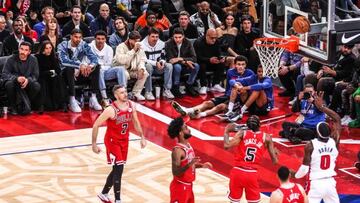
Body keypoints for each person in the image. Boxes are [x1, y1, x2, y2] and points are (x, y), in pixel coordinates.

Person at [92, 84, 147, 203]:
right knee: (119, 168)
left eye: (125, 91)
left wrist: (142, 136)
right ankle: (118, 200)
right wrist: (94, 144)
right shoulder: (110, 110)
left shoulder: (131, 105)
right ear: (116, 96)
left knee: (117, 169)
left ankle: (104, 193)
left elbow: (136, 122)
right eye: (122, 92)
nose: (125, 94)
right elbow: (96, 124)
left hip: (124, 140)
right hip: (112, 141)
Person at [171, 55, 254, 119]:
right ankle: (188, 110)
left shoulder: (250, 73)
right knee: (208, 103)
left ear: (246, 65)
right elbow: (231, 85)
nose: (241, 66)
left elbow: (251, 88)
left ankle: (201, 114)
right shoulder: (230, 72)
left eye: (243, 64)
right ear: (235, 65)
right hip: (229, 95)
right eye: (239, 64)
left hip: (240, 98)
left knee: (219, 107)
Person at [294, 98, 341, 202]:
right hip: (330, 182)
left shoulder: (311, 145)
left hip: (315, 183)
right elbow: (337, 118)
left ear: (316, 132)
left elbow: (304, 169)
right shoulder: (334, 142)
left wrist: (294, 175)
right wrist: (322, 107)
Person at [223, 115, 278, 203]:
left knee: (234, 201)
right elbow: (275, 161)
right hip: (252, 174)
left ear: (247, 126)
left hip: (238, 172)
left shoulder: (242, 133)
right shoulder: (267, 137)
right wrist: (275, 152)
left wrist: (226, 132)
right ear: (259, 125)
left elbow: (226, 146)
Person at [168, 116, 212, 203]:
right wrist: (189, 164)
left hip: (189, 187)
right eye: (186, 128)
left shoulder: (188, 146)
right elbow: (175, 172)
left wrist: (202, 165)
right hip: (179, 187)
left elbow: (190, 165)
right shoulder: (178, 150)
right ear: (180, 133)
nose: (189, 129)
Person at [58, 28, 102, 113]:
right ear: (71, 37)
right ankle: (72, 99)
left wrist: (90, 66)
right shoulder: (62, 45)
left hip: (79, 73)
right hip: (64, 75)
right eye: (75, 37)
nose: (78, 39)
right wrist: (79, 65)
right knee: (69, 68)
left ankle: (93, 97)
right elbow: (63, 61)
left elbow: (94, 58)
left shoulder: (83, 44)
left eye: (80, 37)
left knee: (97, 67)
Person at [89, 30, 127, 107]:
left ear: (105, 39)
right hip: (93, 72)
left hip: (105, 71)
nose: (100, 41)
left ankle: (123, 92)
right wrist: (99, 67)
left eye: (102, 39)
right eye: (98, 39)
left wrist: (101, 67)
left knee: (121, 69)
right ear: (95, 39)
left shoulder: (109, 49)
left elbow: (109, 64)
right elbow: (88, 62)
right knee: (99, 69)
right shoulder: (89, 47)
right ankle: (104, 97)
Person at [2, 41, 40, 115]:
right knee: (9, 84)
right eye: (21, 49)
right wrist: (16, 79)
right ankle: (13, 107)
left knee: (36, 85)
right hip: (14, 82)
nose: (23, 52)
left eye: (26, 50)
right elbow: (5, 74)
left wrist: (27, 80)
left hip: (26, 82)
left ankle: (25, 104)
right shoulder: (11, 59)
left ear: (29, 52)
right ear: (19, 49)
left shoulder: (33, 59)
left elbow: (35, 75)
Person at [112, 31, 149, 101]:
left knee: (144, 73)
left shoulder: (140, 48)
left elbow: (142, 60)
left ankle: (136, 93)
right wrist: (133, 50)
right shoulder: (120, 47)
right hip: (120, 69)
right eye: (135, 41)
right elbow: (122, 60)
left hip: (132, 70)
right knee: (124, 74)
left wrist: (141, 69)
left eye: (138, 41)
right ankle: (123, 94)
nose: (137, 43)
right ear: (130, 40)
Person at [165, 28, 199, 98]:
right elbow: (171, 60)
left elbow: (194, 58)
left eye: (180, 37)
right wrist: (185, 61)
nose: (177, 39)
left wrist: (180, 59)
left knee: (196, 66)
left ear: (183, 36)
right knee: (177, 67)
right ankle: (175, 87)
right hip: (176, 66)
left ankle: (189, 85)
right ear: (172, 37)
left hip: (185, 64)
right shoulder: (168, 43)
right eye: (175, 37)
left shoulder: (188, 42)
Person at [141, 28, 174, 100]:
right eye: (153, 36)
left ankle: (167, 90)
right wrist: (156, 63)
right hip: (146, 67)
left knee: (169, 66)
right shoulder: (142, 45)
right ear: (148, 36)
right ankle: (148, 91)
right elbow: (143, 59)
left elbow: (163, 56)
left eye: (157, 37)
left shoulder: (162, 44)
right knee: (148, 66)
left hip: (158, 67)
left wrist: (161, 62)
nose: (155, 39)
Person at [35, 40, 66, 113]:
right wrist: (49, 72)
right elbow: (38, 72)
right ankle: (41, 105)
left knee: (59, 79)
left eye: (50, 48)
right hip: (42, 76)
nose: (49, 50)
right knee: (42, 81)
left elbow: (58, 70)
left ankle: (63, 104)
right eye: (46, 48)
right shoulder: (37, 57)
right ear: (43, 49)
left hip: (53, 77)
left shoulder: (54, 57)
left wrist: (54, 72)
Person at [194, 28, 226, 95]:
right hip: (202, 61)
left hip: (213, 62)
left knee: (222, 63)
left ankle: (215, 84)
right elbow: (197, 57)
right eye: (212, 38)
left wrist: (221, 58)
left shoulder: (216, 41)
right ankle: (203, 86)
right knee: (202, 65)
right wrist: (209, 60)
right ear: (207, 36)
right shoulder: (198, 42)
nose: (214, 40)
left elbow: (219, 53)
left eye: (215, 37)